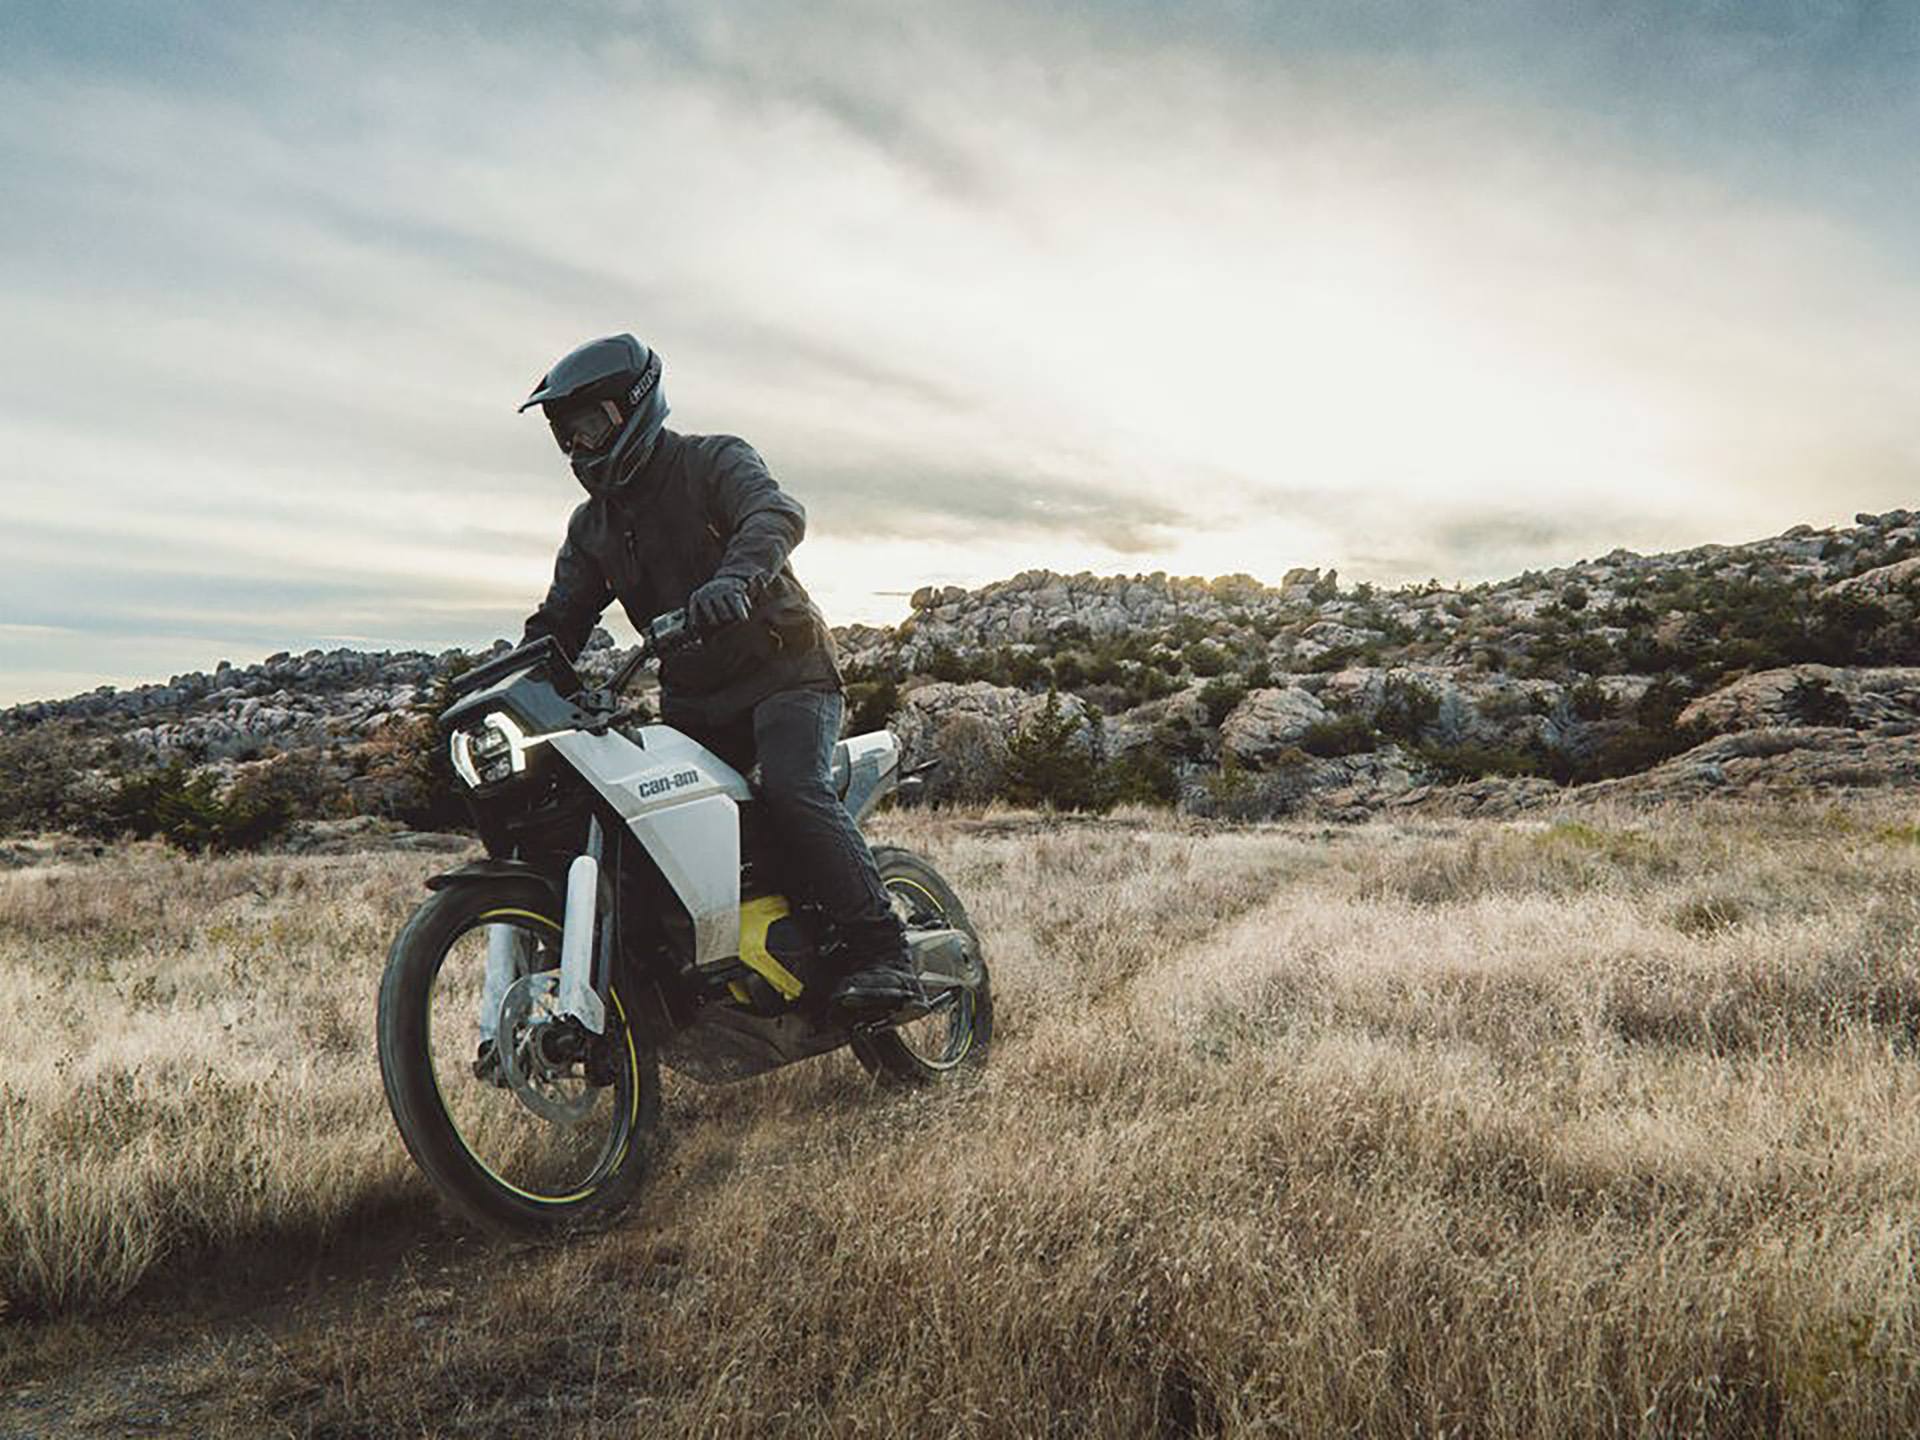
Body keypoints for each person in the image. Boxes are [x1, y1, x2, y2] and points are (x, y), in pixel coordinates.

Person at [515, 333, 920, 1013]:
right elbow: (560, 620)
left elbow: (775, 513)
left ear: (635, 408)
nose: (582, 449)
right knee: (646, 825)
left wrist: (736, 577)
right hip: (696, 702)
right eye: (568, 437)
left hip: (786, 672)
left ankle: (884, 949)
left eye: (591, 427)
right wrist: (516, 671)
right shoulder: (594, 529)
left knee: (792, 788)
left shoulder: (713, 461)